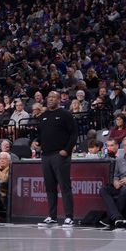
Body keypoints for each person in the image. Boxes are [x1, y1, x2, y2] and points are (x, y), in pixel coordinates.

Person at [36, 91, 78, 228]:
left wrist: (67, 150)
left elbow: (74, 133)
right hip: (46, 156)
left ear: (59, 100)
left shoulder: (65, 114)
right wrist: (36, 142)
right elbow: (40, 135)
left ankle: (69, 217)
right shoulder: (43, 116)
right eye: (49, 97)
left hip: (60, 156)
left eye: (54, 97)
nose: (51, 99)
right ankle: (52, 216)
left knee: (64, 186)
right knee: (49, 187)